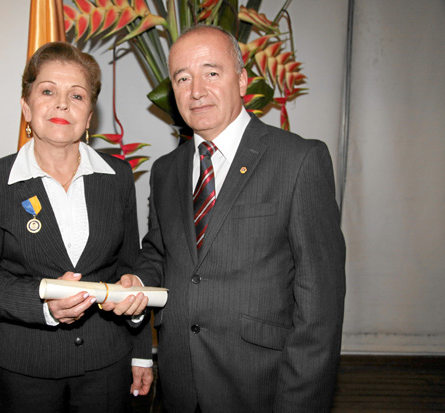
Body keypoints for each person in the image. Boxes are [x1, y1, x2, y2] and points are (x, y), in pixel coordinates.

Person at [117, 25, 346, 412]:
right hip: (179, 385)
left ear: (241, 80)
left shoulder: (298, 160)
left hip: (261, 386)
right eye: (182, 78)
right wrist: (138, 281)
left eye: (211, 72)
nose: (196, 91)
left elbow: (320, 306)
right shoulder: (166, 170)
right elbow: (159, 251)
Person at [0, 41, 152, 412]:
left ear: (89, 115)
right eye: (48, 91)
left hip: (107, 363)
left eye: (76, 95)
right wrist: (42, 304)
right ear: (26, 107)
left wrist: (141, 353)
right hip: (26, 366)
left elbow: (133, 269)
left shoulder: (118, 177)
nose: (62, 104)